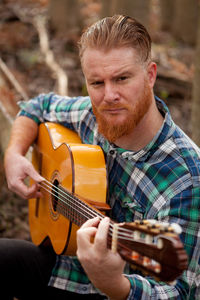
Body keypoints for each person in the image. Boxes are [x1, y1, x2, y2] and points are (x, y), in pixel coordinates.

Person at [2, 14, 200, 300]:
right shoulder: (90, 114)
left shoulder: (187, 180)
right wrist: (14, 153)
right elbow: (36, 107)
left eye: (122, 78)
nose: (109, 96)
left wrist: (115, 285)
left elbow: (180, 292)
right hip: (67, 264)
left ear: (150, 75)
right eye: (97, 83)